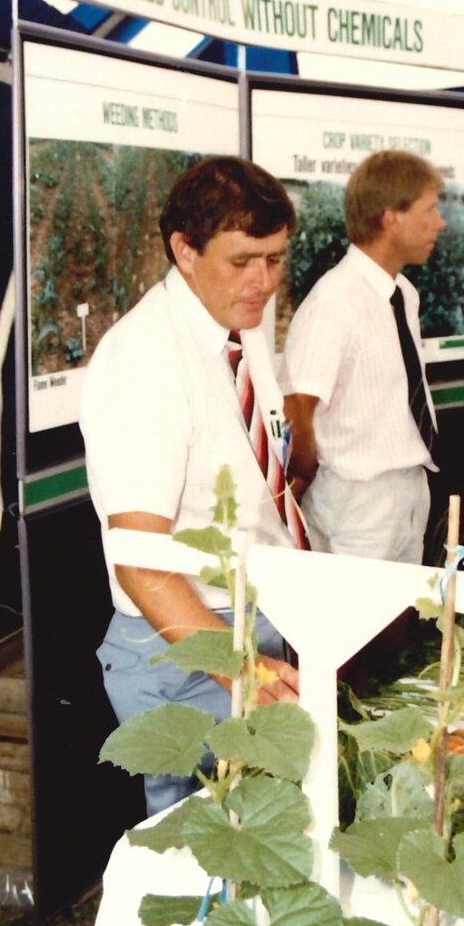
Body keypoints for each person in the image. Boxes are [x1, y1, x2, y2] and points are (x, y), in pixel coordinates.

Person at [79, 156, 304, 816]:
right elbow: (143, 565)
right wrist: (242, 667)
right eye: (243, 261)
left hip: (253, 618)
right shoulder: (146, 361)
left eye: (275, 258)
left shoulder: (240, 324)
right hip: (189, 642)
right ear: (183, 250)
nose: (263, 281)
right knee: (211, 849)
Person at [281, 150, 444, 563]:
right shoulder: (334, 300)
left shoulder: (403, 294)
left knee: (403, 617)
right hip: (356, 501)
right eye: (429, 210)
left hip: (407, 488)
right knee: (358, 626)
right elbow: (298, 404)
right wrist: (309, 476)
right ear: (391, 219)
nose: (439, 223)